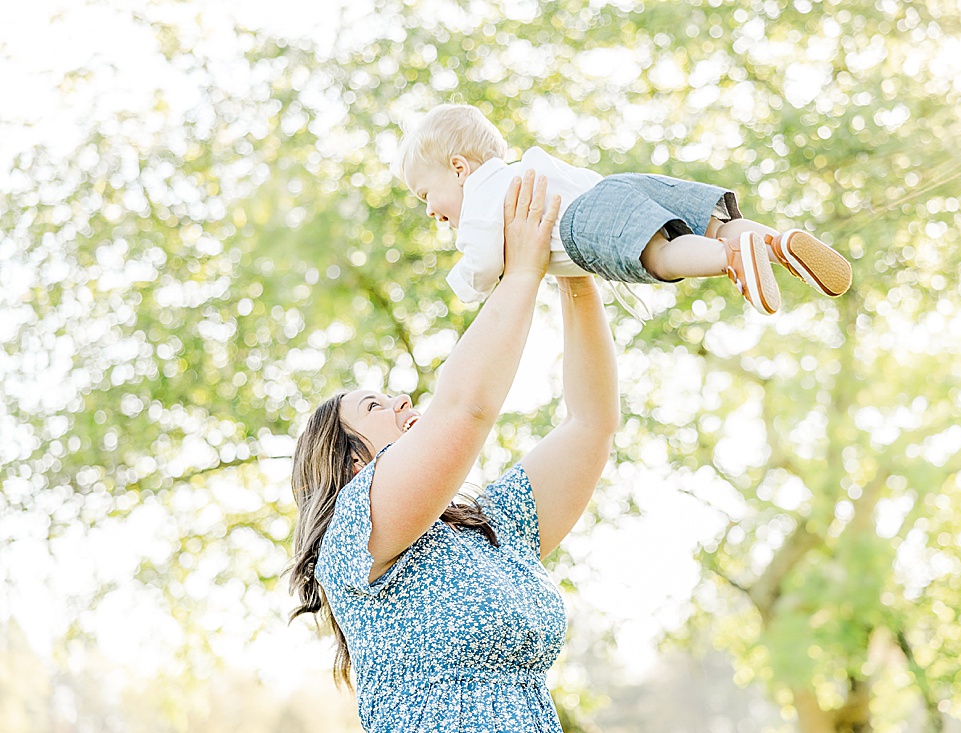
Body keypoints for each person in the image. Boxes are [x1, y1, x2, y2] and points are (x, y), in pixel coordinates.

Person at [288, 171, 619, 733]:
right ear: (352, 464)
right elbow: (464, 409)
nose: (400, 398)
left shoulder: (494, 531)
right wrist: (521, 272)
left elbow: (592, 424)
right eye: (373, 407)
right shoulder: (353, 534)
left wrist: (573, 271)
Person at [394, 103, 853, 316]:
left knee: (660, 254)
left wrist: (466, 287)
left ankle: (734, 259)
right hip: (615, 186)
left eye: (424, 195)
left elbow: (481, 265)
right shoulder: (527, 171)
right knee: (711, 224)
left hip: (583, 223)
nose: (432, 212)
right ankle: (776, 243)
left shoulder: (480, 199)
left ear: (458, 168)